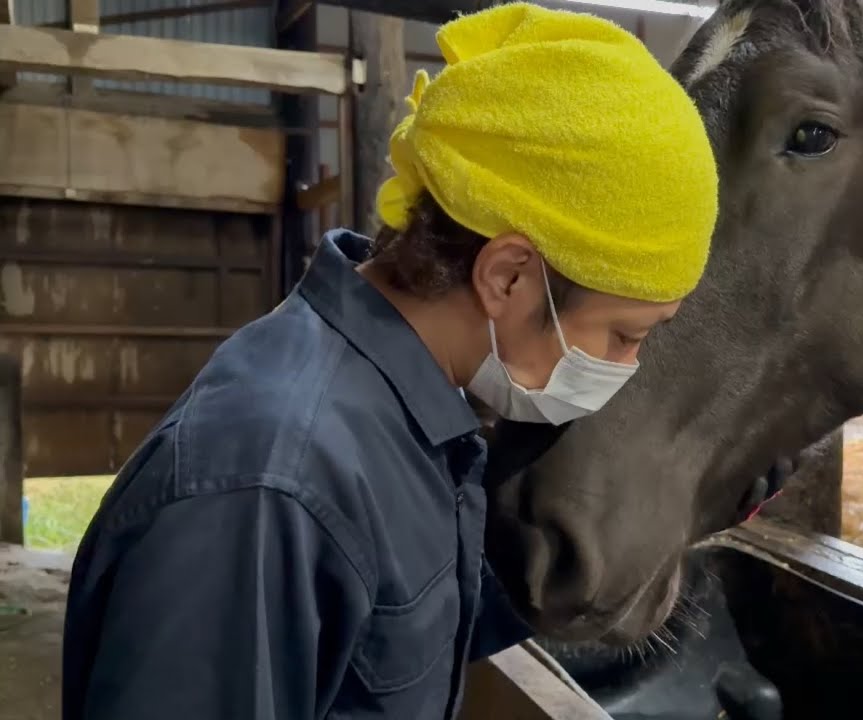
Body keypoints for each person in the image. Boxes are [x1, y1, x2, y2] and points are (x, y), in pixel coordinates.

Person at [59, 4, 717, 719]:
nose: (628, 365)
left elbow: (394, 641)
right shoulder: (269, 486)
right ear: (508, 276)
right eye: (624, 334)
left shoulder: (408, 419)